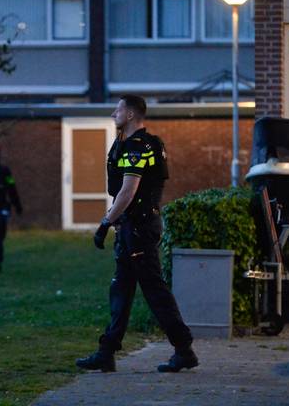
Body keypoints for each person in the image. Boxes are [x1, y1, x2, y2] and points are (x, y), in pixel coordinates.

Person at [76, 95, 198, 373]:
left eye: (117, 110)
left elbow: (128, 191)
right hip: (131, 228)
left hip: (140, 230)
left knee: (154, 290)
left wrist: (106, 222)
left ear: (130, 115)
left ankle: (184, 350)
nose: (112, 114)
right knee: (120, 289)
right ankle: (106, 352)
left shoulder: (138, 147)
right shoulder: (129, 144)